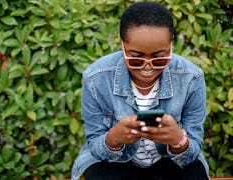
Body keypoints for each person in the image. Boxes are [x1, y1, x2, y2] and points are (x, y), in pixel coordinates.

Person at [71, 1, 209, 180]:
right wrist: (113, 139)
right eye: (135, 58)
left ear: (171, 44)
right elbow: (95, 145)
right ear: (122, 44)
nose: (147, 67)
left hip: (169, 161)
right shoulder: (95, 78)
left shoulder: (192, 77)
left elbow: (192, 151)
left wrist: (178, 141)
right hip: (117, 162)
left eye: (159, 58)